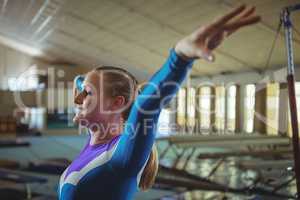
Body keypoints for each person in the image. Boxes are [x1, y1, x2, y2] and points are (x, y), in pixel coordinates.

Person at [58, 5, 260, 200]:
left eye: (87, 93)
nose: (77, 99)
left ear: (116, 104)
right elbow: (80, 81)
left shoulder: (120, 158)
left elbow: (146, 107)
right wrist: (87, 84)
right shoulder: (97, 139)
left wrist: (180, 58)